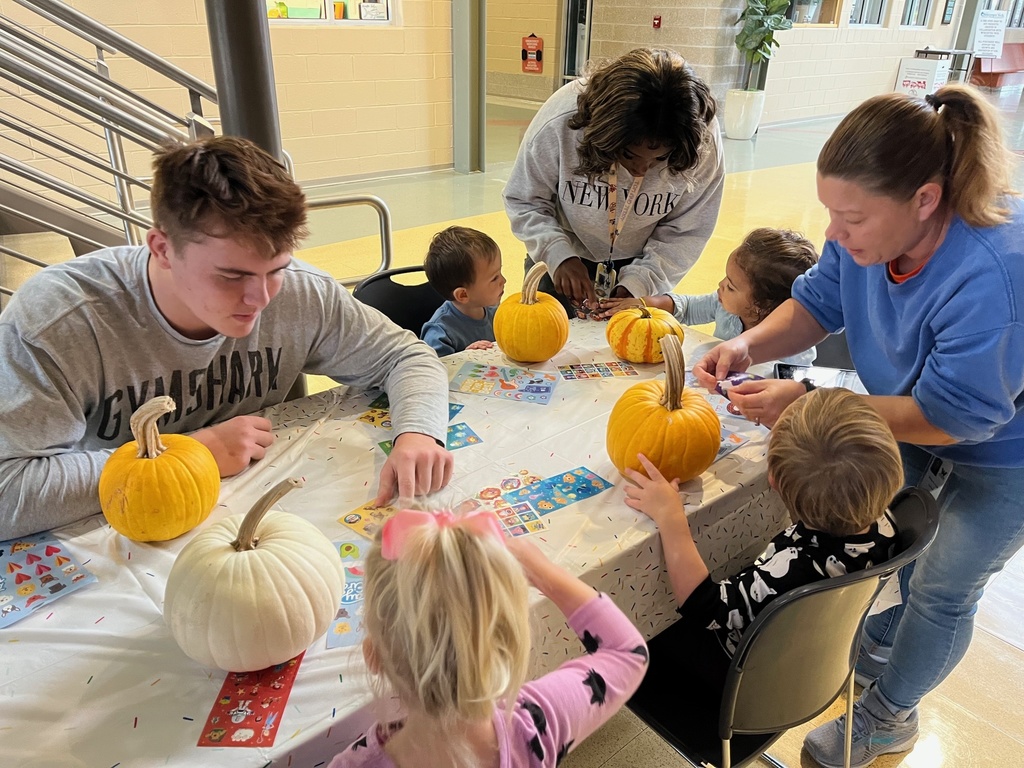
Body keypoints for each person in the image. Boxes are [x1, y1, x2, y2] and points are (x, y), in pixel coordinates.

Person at [692, 84, 1024, 767]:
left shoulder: (994, 272)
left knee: (943, 586)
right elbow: (817, 303)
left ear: (925, 200)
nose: (834, 235)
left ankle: (887, 715)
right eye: (830, 216)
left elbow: (952, 414)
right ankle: (880, 647)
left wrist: (811, 400)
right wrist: (748, 344)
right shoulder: (867, 228)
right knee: (886, 538)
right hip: (911, 407)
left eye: (851, 219)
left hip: (1007, 448)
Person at [0, 136, 454, 541]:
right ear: (162, 249)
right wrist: (192, 456)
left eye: (275, 271)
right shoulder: (60, 319)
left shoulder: (300, 291)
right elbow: (8, 491)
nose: (259, 299)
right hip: (117, 532)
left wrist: (417, 433)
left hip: (256, 525)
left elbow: (405, 356)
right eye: (230, 276)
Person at [623, 387, 903, 692]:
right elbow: (833, 476)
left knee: (636, 624)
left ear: (773, 482)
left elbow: (706, 607)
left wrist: (671, 518)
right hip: (816, 663)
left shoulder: (795, 567)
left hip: (741, 677)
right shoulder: (882, 519)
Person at [329, 509, 648, 768]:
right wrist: (541, 569)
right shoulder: (534, 728)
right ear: (507, 647)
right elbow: (626, 653)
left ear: (373, 655)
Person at [503, 48, 724, 319]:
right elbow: (525, 199)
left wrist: (640, 282)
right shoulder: (561, 123)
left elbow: (687, 230)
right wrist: (556, 254)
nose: (641, 169)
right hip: (561, 249)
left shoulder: (700, 143)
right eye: (629, 154)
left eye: (660, 159)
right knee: (544, 339)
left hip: (644, 257)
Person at [596, 227, 819, 364]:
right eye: (725, 278)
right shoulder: (724, 306)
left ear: (762, 306)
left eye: (731, 287)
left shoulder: (793, 344)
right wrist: (644, 304)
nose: (720, 285)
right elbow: (687, 306)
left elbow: (794, 388)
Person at [420, 226, 506, 356]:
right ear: (463, 295)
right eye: (494, 278)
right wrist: (464, 357)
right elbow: (435, 373)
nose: (504, 280)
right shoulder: (440, 334)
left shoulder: (495, 311)